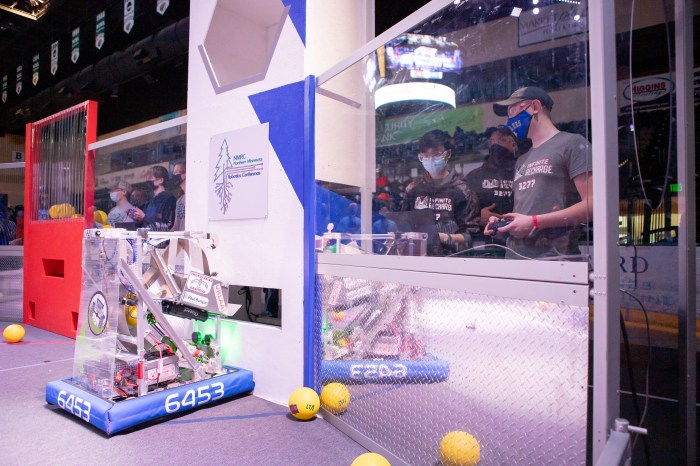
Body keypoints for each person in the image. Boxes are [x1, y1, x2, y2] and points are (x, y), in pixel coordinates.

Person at [485, 87, 593, 259]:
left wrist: (534, 222)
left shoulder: (572, 144)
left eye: (512, 111)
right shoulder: (522, 160)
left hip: (554, 259)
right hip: (515, 258)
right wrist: (504, 225)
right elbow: (520, 212)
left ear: (534, 106)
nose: (509, 120)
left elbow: (593, 205)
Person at [402, 129, 480, 256]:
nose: (431, 160)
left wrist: (447, 238)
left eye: (436, 155)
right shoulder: (413, 189)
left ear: (448, 154)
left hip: (453, 259)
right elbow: (403, 227)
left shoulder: (463, 190)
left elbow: (472, 235)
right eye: (426, 156)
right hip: (419, 258)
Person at [464, 126, 518, 246]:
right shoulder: (474, 176)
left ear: (514, 145)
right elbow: (460, 210)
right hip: (485, 242)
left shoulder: (524, 172)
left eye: (501, 141)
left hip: (519, 239)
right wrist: (478, 216)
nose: (496, 145)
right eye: (492, 141)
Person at [130, 165, 177, 231]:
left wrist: (144, 217)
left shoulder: (169, 199)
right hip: (148, 236)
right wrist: (137, 219)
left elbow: (168, 226)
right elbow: (145, 224)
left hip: (159, 237)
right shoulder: (150, 201)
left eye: (150, 177)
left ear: (161, 180)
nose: (147, 180)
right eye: (147, 178)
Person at [170, 161, 186, 231]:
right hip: (180, 237)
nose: (174, 175)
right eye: (173, 173)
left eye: (176, 172)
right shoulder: (179, 200)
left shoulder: (195, 197)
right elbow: (176, 226)